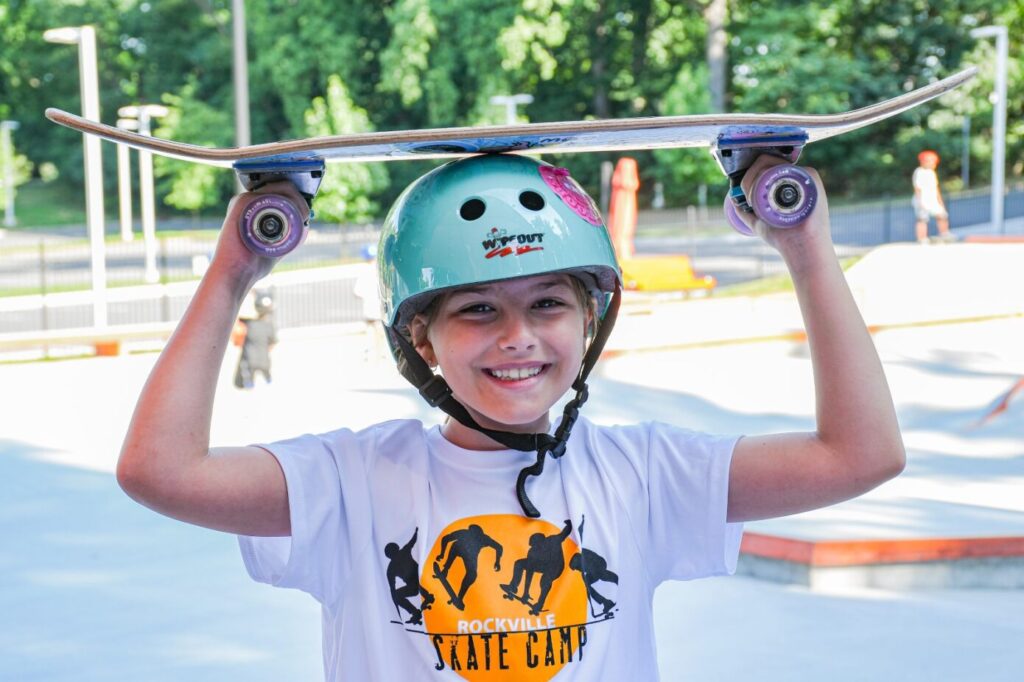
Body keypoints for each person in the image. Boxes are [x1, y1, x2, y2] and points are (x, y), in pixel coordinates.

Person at [116, 154, 904, 680]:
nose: (517, 336)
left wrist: (804, 246)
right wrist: (235, 270)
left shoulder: (646, 475)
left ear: (590, 322)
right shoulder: (352, 481)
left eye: (549, 304)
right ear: (419, 337)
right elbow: (160, 470)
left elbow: (860, 454)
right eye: (478, 309)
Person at [232, 289, 277, 389]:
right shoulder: (268, 326)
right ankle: (269, 381)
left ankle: (249, 384)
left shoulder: (249, 324)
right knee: (267, 374)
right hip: (265, 359)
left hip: (250, 360)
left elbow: (238, 319)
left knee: (249, 376)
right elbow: (273, 342)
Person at [913, 149, 953, 243]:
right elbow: (917, 188)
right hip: (923, 199)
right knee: (922, 219)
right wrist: (920, 201)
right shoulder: (919, 172)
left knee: (942, 215)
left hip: (933, 199)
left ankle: (944, 233)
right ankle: (922, 238)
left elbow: (936, 188)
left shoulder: (931, 173)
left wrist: (940, 201)